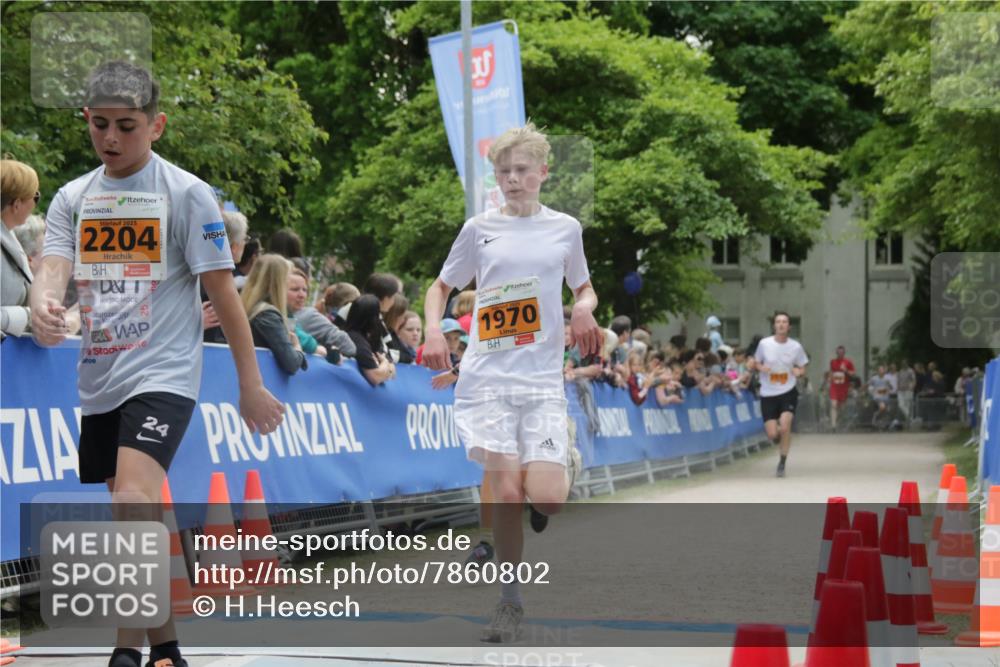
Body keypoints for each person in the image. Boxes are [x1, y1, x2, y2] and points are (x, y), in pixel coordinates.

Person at [29, 61, 284, 667]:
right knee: (136, 513)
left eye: (126, 126)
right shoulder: (72, 198)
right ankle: (167, 646)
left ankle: (125, 649)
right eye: (99, 125)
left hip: (165, 372)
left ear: (157, 125)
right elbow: (54, 267)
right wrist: (43, 301)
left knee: (133, 500)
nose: (111, 138)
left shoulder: (188, 194)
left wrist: (249, 383)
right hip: (100, 376)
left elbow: (224, 294)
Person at [423, 122, 600, 644]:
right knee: (503, 492)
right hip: (487, 379)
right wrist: (432, 329)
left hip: (540, 380)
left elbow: (584, 288)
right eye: (503, 172)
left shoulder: (565, 228)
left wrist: (584, 309)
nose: (513, 179)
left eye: (522, 169)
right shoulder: (479, 229)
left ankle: (563, 455)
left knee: (547, 500)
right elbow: (440, 287)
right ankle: (509, 603)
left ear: (543, 172)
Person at [754, 311, 809, 477]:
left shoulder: (795, 346)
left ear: (789, 326)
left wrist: (799, 372)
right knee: (772, 434)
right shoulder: (764, 344)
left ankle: (782, 463)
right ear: (774, 326)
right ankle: (780, 438)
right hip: (768, 393)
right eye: (778, 321)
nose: (781, 324)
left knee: (785, 427)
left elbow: (803, 367)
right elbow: (756, 362)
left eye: (784, 322)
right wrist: (761, 367)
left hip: (788, 391)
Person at [241, 254, 307, 375]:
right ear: (279, 282)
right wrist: (297, 347)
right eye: (288, 279)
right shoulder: (268, 315)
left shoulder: (246, 306)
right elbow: (291, 363)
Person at [1, 160, 39, 337]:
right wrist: (29, 316)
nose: (36, 204)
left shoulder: (10, 237)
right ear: (16, 204)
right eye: (35, 197)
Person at [288, 268, 355, 361]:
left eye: (305, 290)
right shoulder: (308, 316)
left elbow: (348, 346)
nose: (302, 295)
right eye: (295, 289)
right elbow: (349, 347)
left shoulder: (305, 316)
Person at [202, 210, 249, 342]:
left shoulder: (200, 274)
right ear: (234, 246)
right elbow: (218, 338)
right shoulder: (218, 282)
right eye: (245, 239)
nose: (246, 243)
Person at [343, 294, 396, 387]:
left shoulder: (372, 338)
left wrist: (386, 366)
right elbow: (375, 377)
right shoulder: (356, 340)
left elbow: (393, 370)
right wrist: (384, 363)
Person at [827, 345, 855, 430]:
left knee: (841, 408)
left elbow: (852, 374)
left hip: (843, 387)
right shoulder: (833, 362)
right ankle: (833, 426)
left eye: (841, 352)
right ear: (836, 353)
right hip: (834, 387)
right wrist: (829, 378)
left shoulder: (848, 362)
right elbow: (831, 372)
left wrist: (845, 370)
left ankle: (837, 420)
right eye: (838, 352)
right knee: (833, 405)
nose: (840, 353)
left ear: (844, 353)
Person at [868, 365, 893, 429]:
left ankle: (881, 423)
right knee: (882, 407)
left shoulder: (887, 379)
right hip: (878, 397)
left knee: (886, 411)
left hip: (885, 398)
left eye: (882, 370)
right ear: (878, 371)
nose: (881, 372)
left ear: (884, 371)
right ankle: (874, 418)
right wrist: (864, 390)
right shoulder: (874, 378)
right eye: (880, 370)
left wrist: (889, 385)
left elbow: (891, 387)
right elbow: (868, 384)